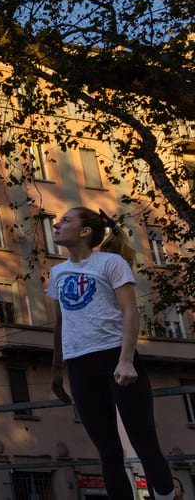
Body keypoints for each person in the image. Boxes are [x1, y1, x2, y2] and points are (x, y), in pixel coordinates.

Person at [48, 208, 183, 500]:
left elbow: (130, 310)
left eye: (66, 221)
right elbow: (60, 324)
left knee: (144, 443)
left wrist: (125, 359)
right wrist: (57, 370)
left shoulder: (111, 262)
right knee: (107, 451)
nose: (57, 225)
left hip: (115, 357)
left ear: (85, 232)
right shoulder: (56, 272)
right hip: (79, 364)